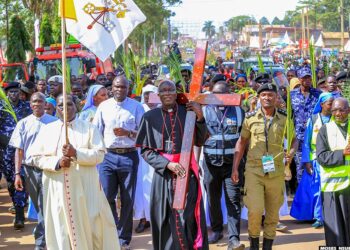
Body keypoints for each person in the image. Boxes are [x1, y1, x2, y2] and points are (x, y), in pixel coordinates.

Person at [29, 94, 120, 249]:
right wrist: (56, 162)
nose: (65, 109)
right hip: (57, 188)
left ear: (76, 106)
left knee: (91, 226)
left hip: (85, 189)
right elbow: (34, 157)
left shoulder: (89, 128)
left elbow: (99, 155)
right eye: (61, 105)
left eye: (69, 104)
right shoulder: (47, 130)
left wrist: (76, 154)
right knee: (61, 227)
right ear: (55, 108)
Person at [136, 80, 209, 250]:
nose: (167, 93)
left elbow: (200, 140)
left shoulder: (188, 113)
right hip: (163, 176)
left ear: (177, 93)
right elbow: (146, 151)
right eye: (163, 90)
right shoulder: (149, 117)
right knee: (164, 218)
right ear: (158, 95)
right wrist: (168, 165)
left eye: (171, 90)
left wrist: (200, 118)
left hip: (186, 173)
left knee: (187, 216)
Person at [231, 83, 297, 250]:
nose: (267, 98)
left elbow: (294, 139)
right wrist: (235, 168)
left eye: (271, 95)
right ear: (259, 98)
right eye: (264, 95)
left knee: (273, 214)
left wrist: (292, 151)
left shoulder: (284, 117)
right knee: (255, 209)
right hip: (254, 171)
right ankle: (254, 244)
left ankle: (267, 245)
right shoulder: (250, 118)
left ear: (276, 98)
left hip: (276, 172)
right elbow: (242, 142)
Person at [93, 75, 144, 249]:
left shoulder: (136, 107)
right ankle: (112, 231)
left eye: (123, 87)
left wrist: (128, 133)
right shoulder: (103, 107)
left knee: (127, 199)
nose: (119, 90)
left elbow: (143, 135)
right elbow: (96, 132)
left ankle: (124, 239)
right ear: (111, 88)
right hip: (108, 157)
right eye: (116, 87)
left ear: (128, 89)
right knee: (107, 196)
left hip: (129, 156)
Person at [9, 92, 58, 249]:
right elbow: (19, 151)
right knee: (38, 206)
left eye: (40, 101)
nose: (37, 104)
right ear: (30, 105)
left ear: (46, 104)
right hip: (30, 170)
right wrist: (17, 174)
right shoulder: (23, 123)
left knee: (45, 205)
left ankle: (41, 241)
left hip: (49, 169)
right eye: (34, 101)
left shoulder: (55, 122)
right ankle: (46, 236)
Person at [202, 81, 245, 250]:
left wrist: (240, 164)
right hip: (210, 164)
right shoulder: (204, 112)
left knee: (233, 200)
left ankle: (233, 238)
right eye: (216, 94)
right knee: (213, 199)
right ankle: (217, 229)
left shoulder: (239, 112)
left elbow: (244, 140)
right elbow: (198, 138)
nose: (219, 98)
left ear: (229, 94)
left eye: (223, 94)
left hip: (232, 165)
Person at [290, 93, 334, 228]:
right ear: (321, 104)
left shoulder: (336, 119)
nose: (332, 106)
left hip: (333, 159)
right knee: (315, 189)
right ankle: (318, 217)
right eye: (329, 103)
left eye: (333, 102)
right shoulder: (313, 120)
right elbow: (307, 143)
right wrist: (307, 161)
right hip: (316, 159)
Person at [316, 97, 350, 246]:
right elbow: (321, 157)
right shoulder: (325, 130)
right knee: (336, 230)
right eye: (334, 110)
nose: (338, 113)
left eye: (341, 109)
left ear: (348, 110)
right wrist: (342, 153)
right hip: (333, 188)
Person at [0, 81, 32, 229]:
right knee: (11, 182)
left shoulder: (26, 107)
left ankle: (20, 217)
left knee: (20, 179)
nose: (13, 94)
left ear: (20, 93)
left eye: (16, 92)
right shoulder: (2, 108)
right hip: (5, 152)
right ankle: (15, 204)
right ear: (7, 93)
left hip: (21, 151)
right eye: (11, 92)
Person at [134, 84, 158, 234]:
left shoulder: (162, 110)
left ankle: (156, 217)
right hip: (141, 154)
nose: (149, 97)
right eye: (147, 94)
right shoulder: (139, 108)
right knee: (141, 186)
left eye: (152, 93)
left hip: (158, 154)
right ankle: (144, 218)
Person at [291, 67, 321, 183]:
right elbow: (289, 116)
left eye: (309, 77)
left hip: (315, 136)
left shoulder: (318, 94)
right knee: (300, 167)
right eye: (304, 78)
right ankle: (302, 195)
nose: (307, 80)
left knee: (315, 165)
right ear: (299, 79)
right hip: (298, 138)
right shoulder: (292, 95)